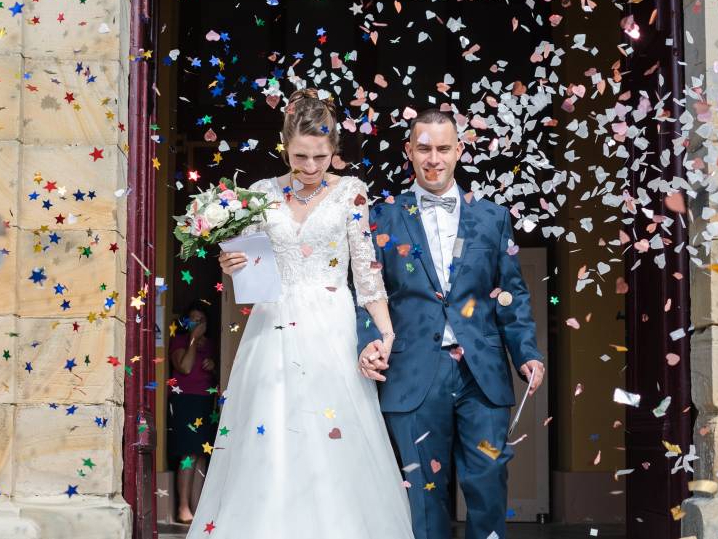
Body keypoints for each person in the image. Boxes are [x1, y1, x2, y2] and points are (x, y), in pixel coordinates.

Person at [187, 88, 414, 538]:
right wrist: (229, 263)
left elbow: (367, 274)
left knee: (333, 432)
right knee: (269, 433)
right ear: (285, 146)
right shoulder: (260, 195)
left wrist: (386, 335)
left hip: (331, 324)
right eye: (300, 157)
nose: (310, 168)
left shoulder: (351, 193)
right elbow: (249, 270)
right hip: (272, 325)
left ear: (334, 152)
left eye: (320, 157)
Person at [357, 108, 546, 539]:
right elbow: (363, 293)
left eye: (443, 148)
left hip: (482, 375)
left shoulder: (493, 218)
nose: (434, 158)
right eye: (424, 148)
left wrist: (527, 353)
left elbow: (510, 293)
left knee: (488, 485)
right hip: (411, 373)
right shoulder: (380, 217)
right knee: (422, 498)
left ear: (459, 150)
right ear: (409, 150)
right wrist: (367, 343)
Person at [168, 299, 220, 524]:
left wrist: (213, 366)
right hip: (185, 401)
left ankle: (197, 508)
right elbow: (185, 367)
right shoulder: (179, 340)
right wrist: (192, 339)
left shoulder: (211, 344)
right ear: (186, 322)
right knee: (188, 455)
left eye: (202, 321)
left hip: (206, 401)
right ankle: (183, 507)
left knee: (201, 456)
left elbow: (218, 373)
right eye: (194, 320)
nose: (197, 324)